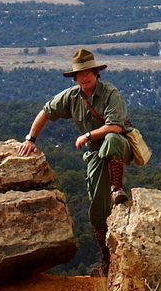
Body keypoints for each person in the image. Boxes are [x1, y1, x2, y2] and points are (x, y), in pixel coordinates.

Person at [18, 48, 133, 275]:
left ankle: (116, 187)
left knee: (111, 139)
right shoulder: (72, 97)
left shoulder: (110, 93)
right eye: (80, 74)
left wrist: (87, 136)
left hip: (119, 145)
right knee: (97, 209)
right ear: (75, 77)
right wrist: (30, 139)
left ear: (96, 73)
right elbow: (45, 111)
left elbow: (116, 127)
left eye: (88, 72)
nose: (84, 77)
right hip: (94, 154)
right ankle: (107, 261)